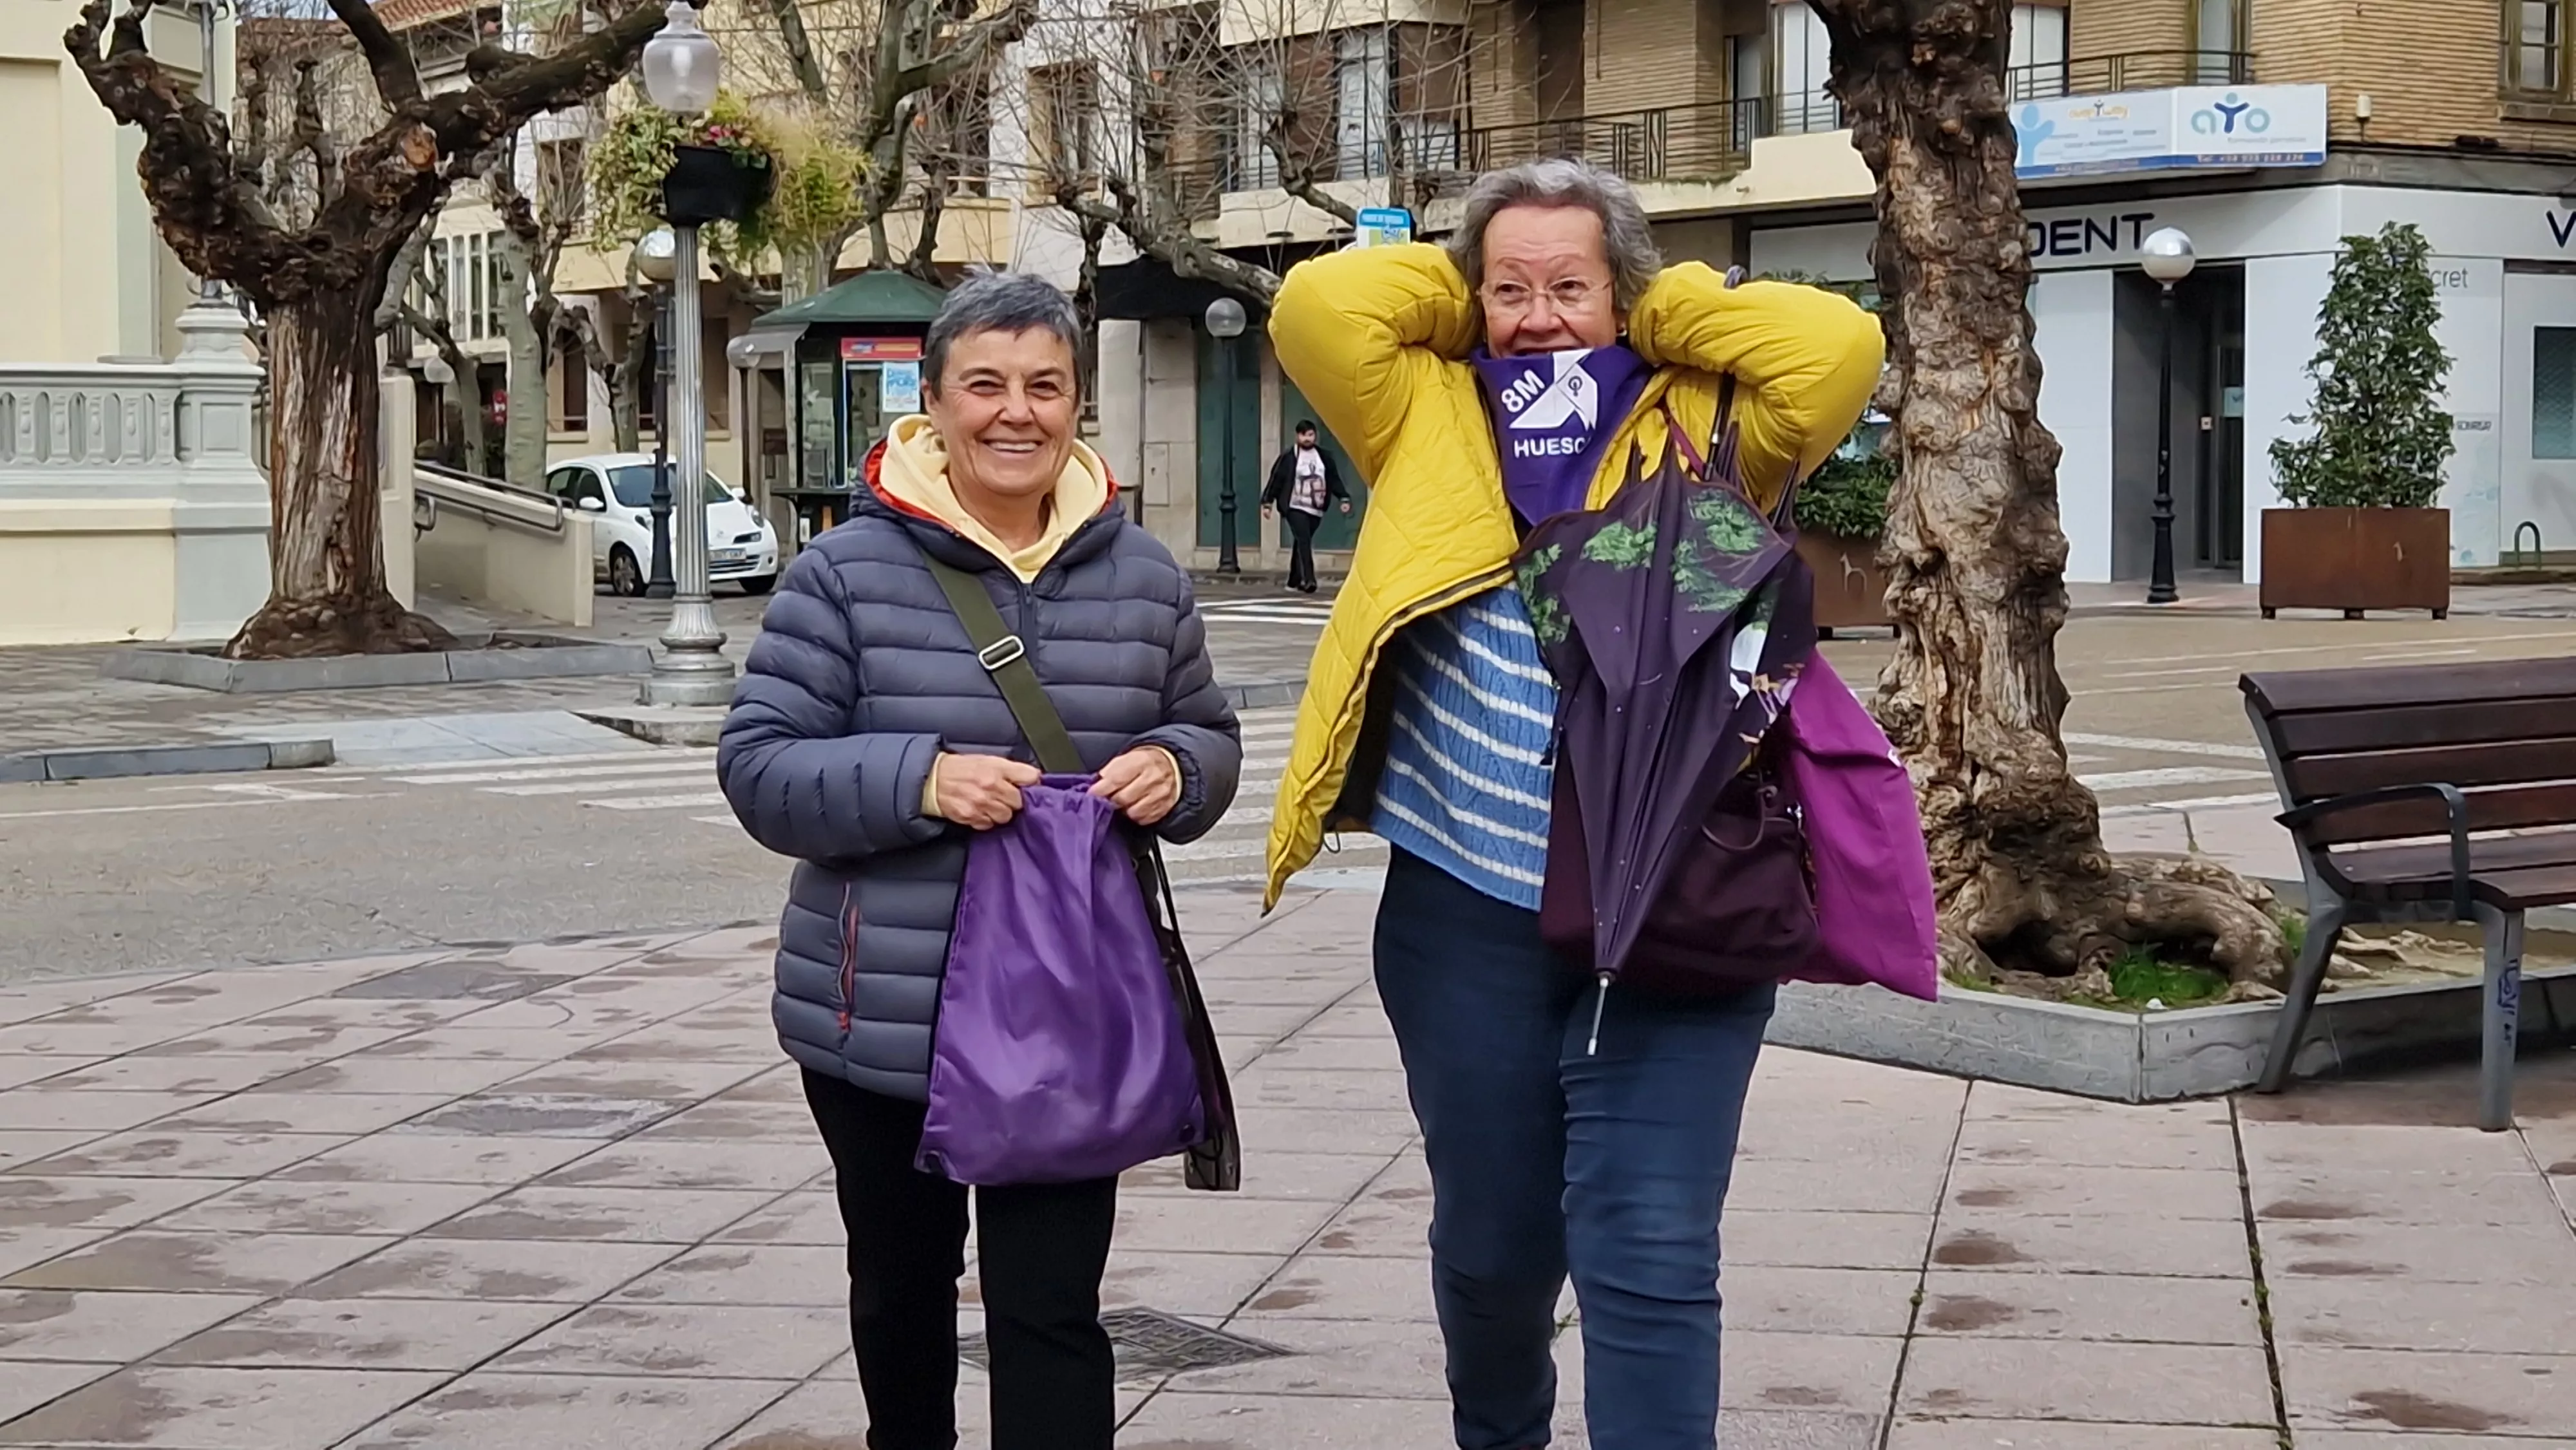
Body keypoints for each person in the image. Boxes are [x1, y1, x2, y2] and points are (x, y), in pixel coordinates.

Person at [1262, 158, 1884, 1448]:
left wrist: (1649, 314)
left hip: (1676, 886)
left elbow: (1834, 344)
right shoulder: (1425, 410)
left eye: (1569, 287)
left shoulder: (1713, 419)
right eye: (1510, 290)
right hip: (1463, 907)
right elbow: (1316, 311)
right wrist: (1473, 296)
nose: (1539, 316)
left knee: (1650, 1242)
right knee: (1494, 1252)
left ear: (1623, 293)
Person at [717, 271, 1243, 1450]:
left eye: (1045, 386)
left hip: (1067, 1008)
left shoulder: (1144, 573)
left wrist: (1179, 768)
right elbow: (758, 768)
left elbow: (1208, 734)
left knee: (1053, 1308)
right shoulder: (845, 573)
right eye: (987, 385)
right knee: (902, 1295)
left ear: (1076, 404)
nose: (1018, 413)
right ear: (936, 402)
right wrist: (919, 778)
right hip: (884, 1019)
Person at [1259, 418, 1352, 594]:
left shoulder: (1324, 457)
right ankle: (1309, 580)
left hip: (1316, 508)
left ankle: (1294, 580)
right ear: (1297, 436)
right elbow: (1276, 479)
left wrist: (1344, 498)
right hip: (1294, 506)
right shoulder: (1288, 457)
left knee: (1301, 540)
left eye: (1311, 435)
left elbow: (1333, 479)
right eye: (1304, 435)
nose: (1308, 439)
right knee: (1304, 539)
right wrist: (1267, 502)